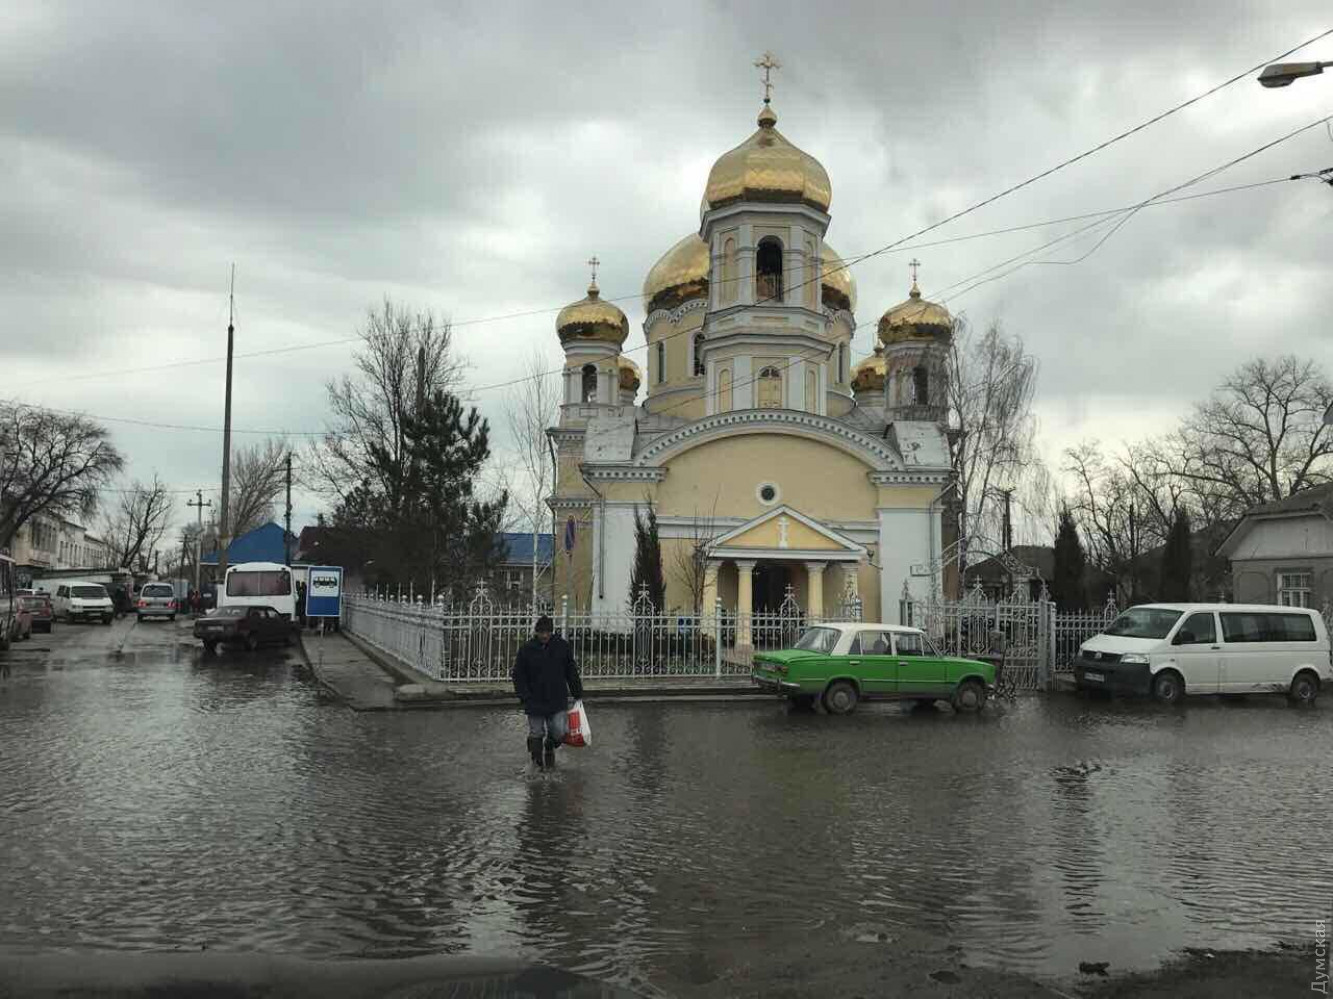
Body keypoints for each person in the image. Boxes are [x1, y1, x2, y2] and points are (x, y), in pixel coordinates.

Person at [512, 615, 583, 769]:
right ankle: (537, 766)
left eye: (547, 632)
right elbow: (518, 675)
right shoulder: (526, 649)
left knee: (559, 731)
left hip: (557, 699)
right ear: (536, 632)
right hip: (534, 700)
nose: (544, 635)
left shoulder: (562, 647)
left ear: (552, 632)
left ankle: (549, 746)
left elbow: (571, 671)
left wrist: (577, 692)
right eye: (541, 632)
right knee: (536, 733)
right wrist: (524, 696)